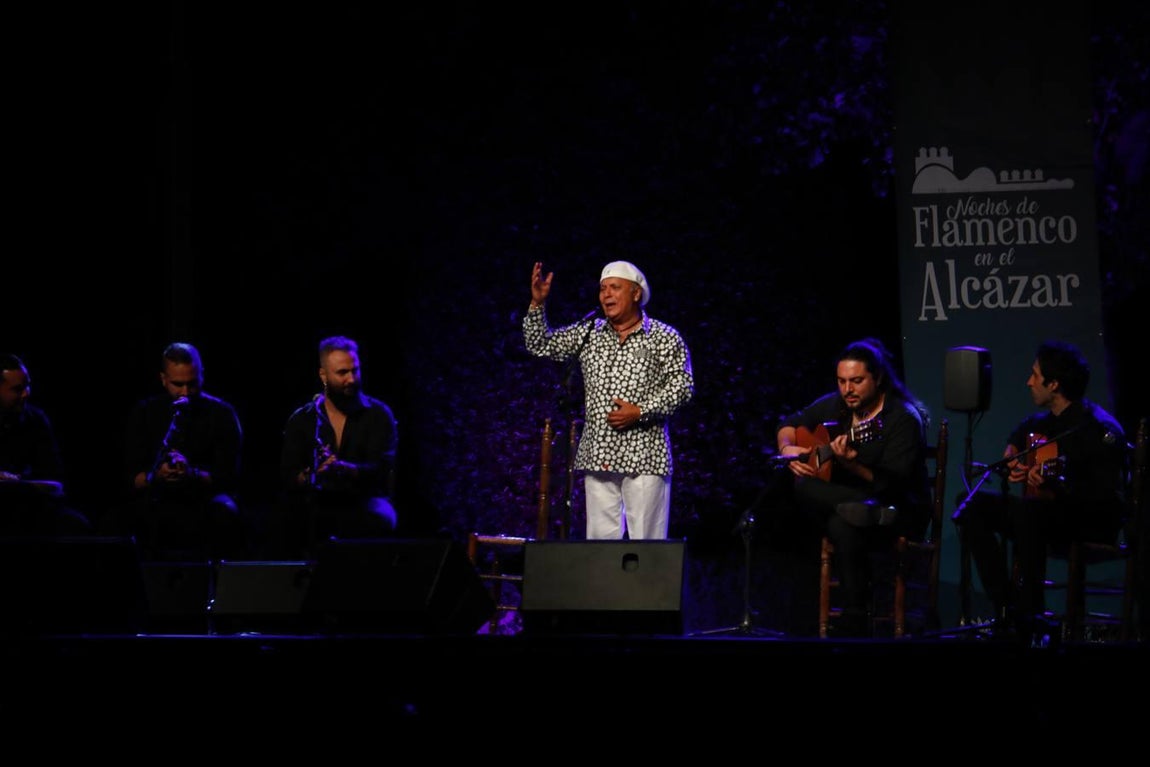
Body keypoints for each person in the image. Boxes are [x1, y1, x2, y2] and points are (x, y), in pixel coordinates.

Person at [953, 340, 1126, 640]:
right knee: (970, 505)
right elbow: (1020, 435)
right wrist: (1012, 455)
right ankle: (1007, 605)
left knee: (1029, 513)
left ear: (1054, 384)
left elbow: (1103, 493)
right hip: (1044, 517)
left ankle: (1030, 614)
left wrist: (1056, 484)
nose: (1028, 382)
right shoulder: (1043, 423)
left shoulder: (1098, 428)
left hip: (1088, 520)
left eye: (1035, 375)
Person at [771, 338, 932, 637]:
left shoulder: (902, 419)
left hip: (897, 509)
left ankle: (855, 613)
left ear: (878, 378)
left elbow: (895, 483)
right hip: (853, 508)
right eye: (842, 381)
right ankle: (855, 615)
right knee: (820, 499)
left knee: (837, 519)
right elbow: (790, 422)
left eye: (856, 381)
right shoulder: (836, 405)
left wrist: (852, 464)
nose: (847, 389)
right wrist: (787, 448)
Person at [523, 260, 694, 540]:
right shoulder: (590, 333)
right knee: (600, 548)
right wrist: (537, 304)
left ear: (636, 293)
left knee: (646, 546)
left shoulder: (664, 337)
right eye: (603, 289)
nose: (606, 295)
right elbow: (540, 344)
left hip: (645, 457)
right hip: (599, 455)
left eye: (615, 287)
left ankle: (644, 574)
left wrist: (641, 411)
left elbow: (682, 387)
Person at [102, 342, 246, 559]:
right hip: (155, 499)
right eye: (178, 384)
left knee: (226, 514)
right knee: (114, 520)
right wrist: (157, 475)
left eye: (192, 384)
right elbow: (131, 478)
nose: (185, 392)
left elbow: (229, 478)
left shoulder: (222, 414)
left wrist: (191, 474)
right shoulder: (144, 413)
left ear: (202, 376)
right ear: (163, 379)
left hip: (203, 501)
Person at [277, 335, 398, 558]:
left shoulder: (379, 415)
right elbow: (288, 475)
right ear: (323, 375)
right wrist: (313, 475)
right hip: (317, 500)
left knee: (377, 517)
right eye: (342, 373)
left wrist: (345, 469)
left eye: (355, 370)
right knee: (287, 517)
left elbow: (381, 470)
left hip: (364, 500)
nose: (351, 379)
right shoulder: (303, 419)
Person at [0, 353, 92, 536]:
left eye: (27, 386)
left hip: (30, 507)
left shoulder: (36, 421)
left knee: (75, 523)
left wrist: (16, 483)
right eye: (18, 389)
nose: (26, 393)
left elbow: (55, 481)